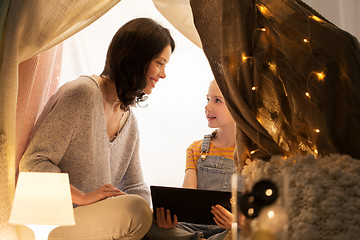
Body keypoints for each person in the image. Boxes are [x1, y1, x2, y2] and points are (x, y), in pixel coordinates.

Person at [19, 18, 175, 240]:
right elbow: (34, 162)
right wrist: (82, 197)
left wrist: (156, 216)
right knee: (136, 212)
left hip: (99, 222)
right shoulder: (82, 94)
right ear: (137, 57)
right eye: (160, 63)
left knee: (170, 230)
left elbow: (135, 186)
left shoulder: (129, 120)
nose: (163, 74)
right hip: (61, 219)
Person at [145, 80, 239, 240]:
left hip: (228, 229)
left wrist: (236, 225)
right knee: (147, 227)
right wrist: (170, 220)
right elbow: (187, 196)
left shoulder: (251, 154)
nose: (208, 107)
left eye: (217, 100)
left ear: (237, 106)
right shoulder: (195, 149)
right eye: (208, 99)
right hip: (190, 227)